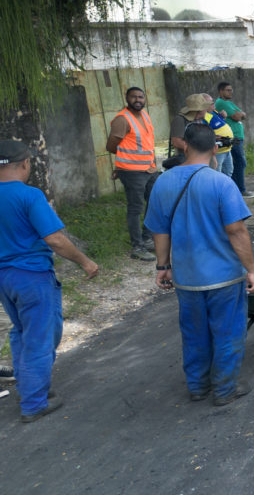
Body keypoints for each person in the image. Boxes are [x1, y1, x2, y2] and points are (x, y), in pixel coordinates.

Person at [144, 122, 254, 406]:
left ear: (184, 145)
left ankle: (197, 386)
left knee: (194, 333)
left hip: (187, 278)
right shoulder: (221, 183)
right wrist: (252, 270)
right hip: (223, 277)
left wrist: (163, 266)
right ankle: (224, 389)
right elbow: (236, 231)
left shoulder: (163, 182)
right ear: (215, 149)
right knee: (227, 332)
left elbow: (160, 230)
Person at [0, 140, 99, 422]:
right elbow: (54, 239)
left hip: (4, 278)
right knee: (41, 337)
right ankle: (33, 403)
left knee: (21, 331)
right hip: (32, 276)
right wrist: (85, 261)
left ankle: (30, 386)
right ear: (24, 163)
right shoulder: (29, 195)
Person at [106, 87, 159, 261]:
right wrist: (125, 160)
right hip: (132, 172)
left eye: (140, 97)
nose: (137, 100)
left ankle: (147, 238)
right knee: (136, 208)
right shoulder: (122, 119)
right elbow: (111, 146)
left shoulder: (144, 115)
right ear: (127, 98)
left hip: (150, 169)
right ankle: (138, 247)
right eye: (133, 97)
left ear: (145, 99)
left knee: (155, 202)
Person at [216, 82, 254, 197]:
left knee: (236, 164)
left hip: (237, 137)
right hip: (233, 138)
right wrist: (240, 114)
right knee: (239, 163)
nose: (231, 92)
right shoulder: (221, 103)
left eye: (231, 90)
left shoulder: (229, 103)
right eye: (228, 90)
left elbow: (244, 115)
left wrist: (241, 114)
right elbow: (237, 116)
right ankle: (240, 189)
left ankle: (236, 189)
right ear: (221, 91)